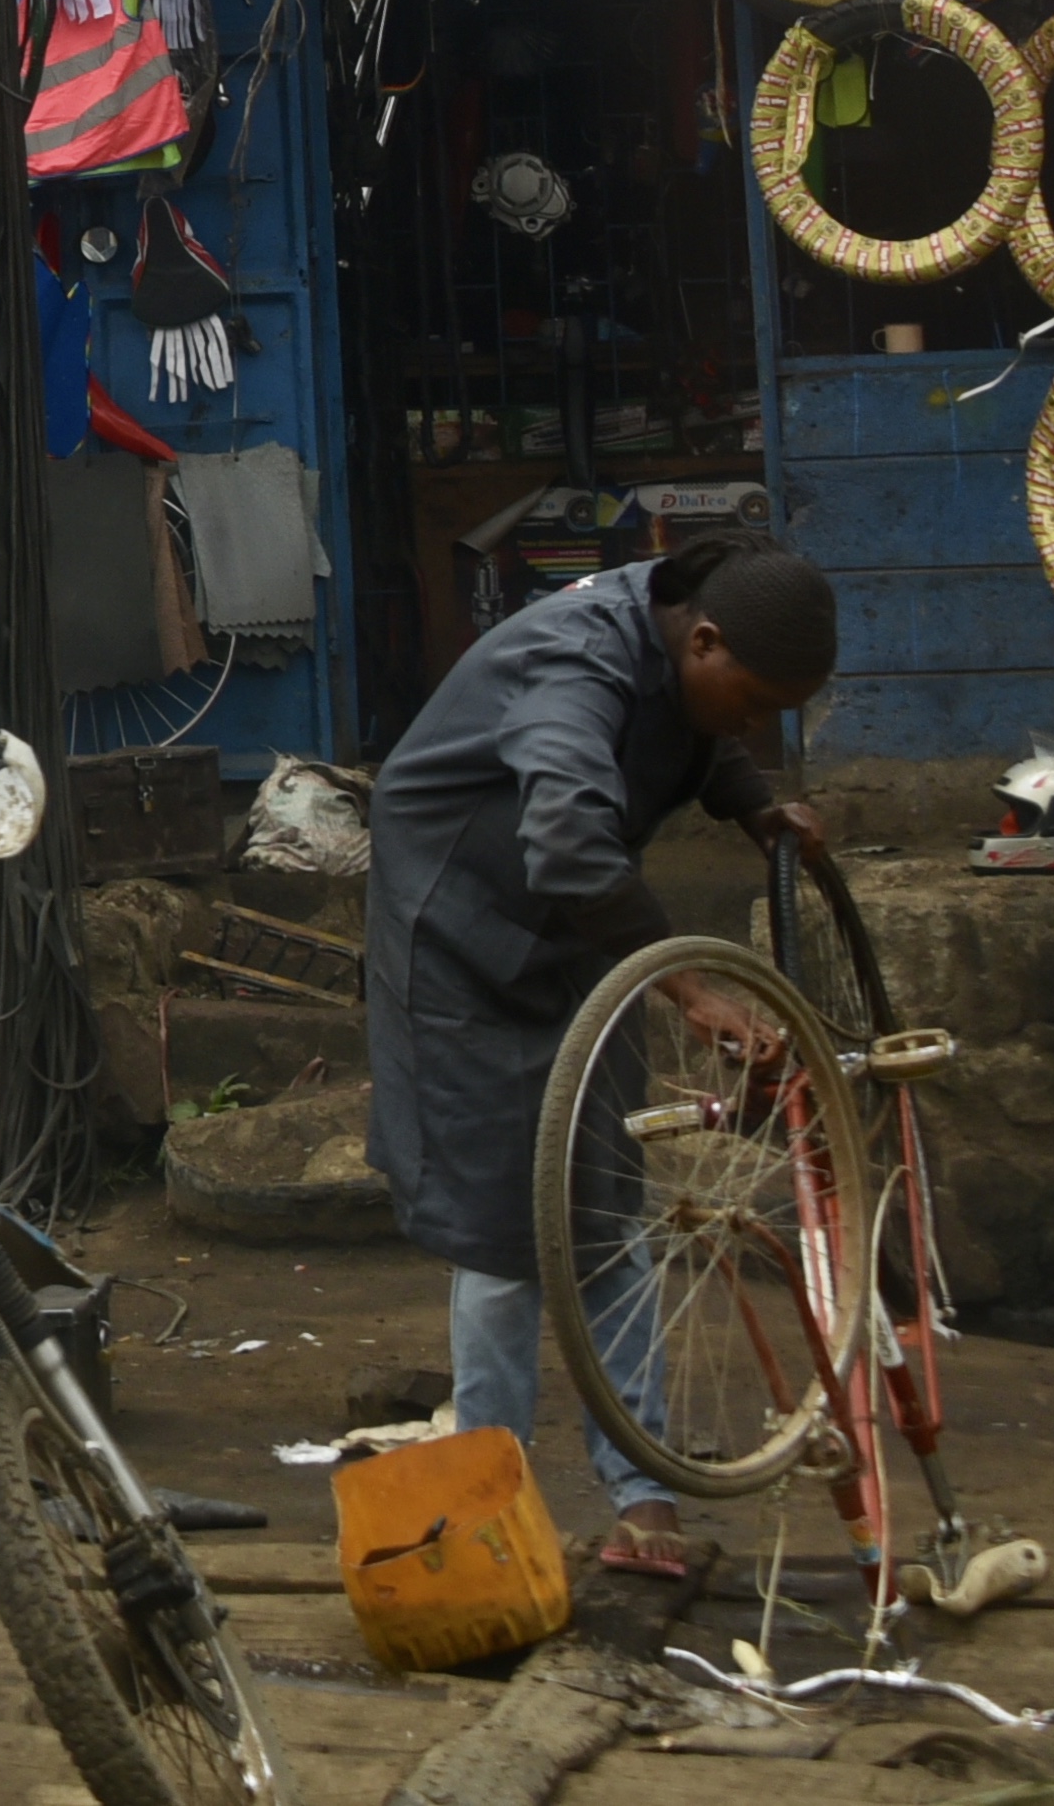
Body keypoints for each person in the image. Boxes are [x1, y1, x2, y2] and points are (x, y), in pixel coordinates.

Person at [365, 534, 841, 1583]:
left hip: (586, 926)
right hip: (462, 932)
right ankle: (485, 1503)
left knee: (608, 1207)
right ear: (703, 641)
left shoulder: (683, 647)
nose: (753, 725)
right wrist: (691, 988)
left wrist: (753, 804)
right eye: (756, 702)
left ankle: (641, 1488)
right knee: (500, 1232)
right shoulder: (573, 664)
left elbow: (703, 731)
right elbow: (570, 841)